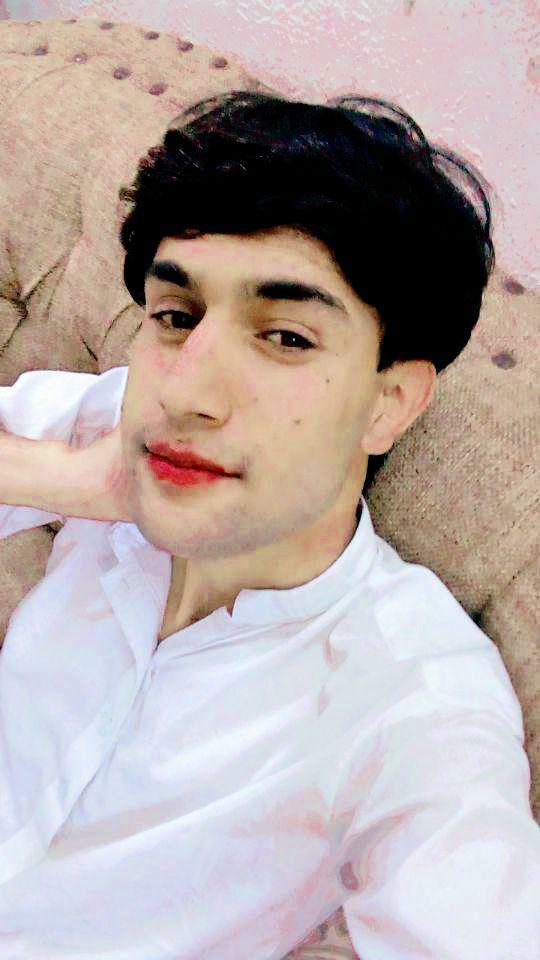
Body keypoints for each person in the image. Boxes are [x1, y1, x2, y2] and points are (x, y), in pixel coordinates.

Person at [0, 90, 538, 960]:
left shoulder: (413, 700)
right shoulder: (124, 436)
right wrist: (66, 480)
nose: (186, 392)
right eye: (175, 317)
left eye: (285, 337)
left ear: (390, 403)